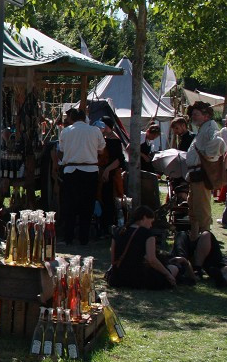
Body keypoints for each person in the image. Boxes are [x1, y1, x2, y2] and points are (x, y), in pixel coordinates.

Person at [105, 206, 194, 289]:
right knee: (174, 268)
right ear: (144, 218)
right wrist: (168, 274)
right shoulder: (147, 234)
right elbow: (152, 260)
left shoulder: (118, 231)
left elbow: (113, 260)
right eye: (150, 222)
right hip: (138, 279)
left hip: (118, 279)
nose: (151, 225)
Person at [58, 108, 105, 245]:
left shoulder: (66, 131)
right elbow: (101, 149)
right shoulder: (95, 131)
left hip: (71, 170)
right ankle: (83, 238)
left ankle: (69, 237)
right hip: (89, 171)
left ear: (72, 119)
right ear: (85, 119)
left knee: (70, 206)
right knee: (87, 205)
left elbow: (61, 150)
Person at [185, 101, 226, 240]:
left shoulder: (210, 128)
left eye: (196, 114)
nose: (193, 117)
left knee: (202, 211)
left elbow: (219, 143)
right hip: (196, 174)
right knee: (194, 210)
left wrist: (209, 155)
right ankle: (195, 239)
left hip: (201, 174)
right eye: (193, 114)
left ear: (206, 116)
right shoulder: (203, 128)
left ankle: (204, 241)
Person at [95, 116, 126, 232]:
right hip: (102, 171)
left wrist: (107, 170)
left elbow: (119, 159)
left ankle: (108, 225)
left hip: (111, 173)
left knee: (109, 199)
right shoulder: (104, 138)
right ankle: (102, 225)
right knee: (100, 198)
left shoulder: (114, 140)